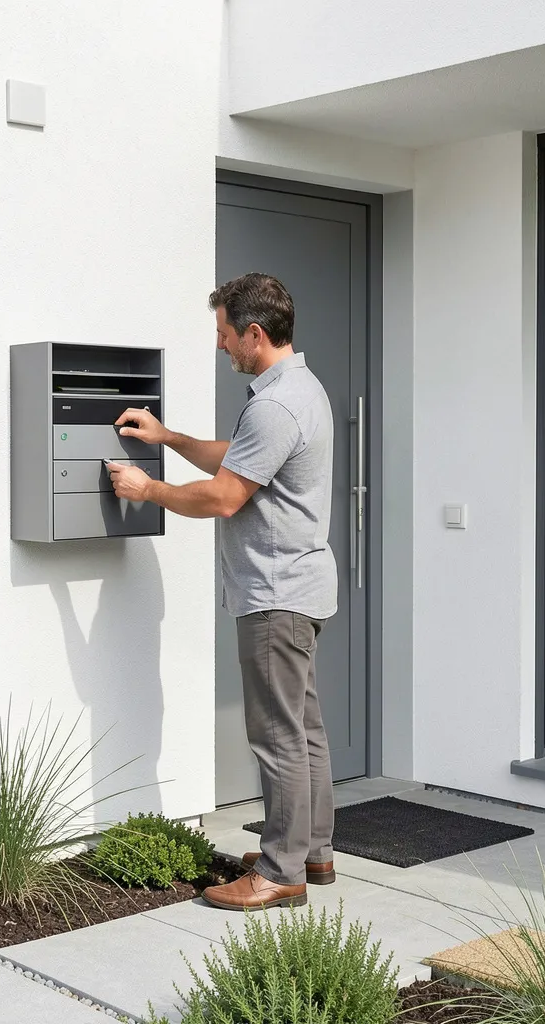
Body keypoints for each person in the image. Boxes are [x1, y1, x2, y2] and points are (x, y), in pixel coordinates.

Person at [105, 272, 337, 911]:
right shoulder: (300, 389)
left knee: (277, 734)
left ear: (254, 334)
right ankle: (312, 850)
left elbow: (225, 495)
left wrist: (146, 489)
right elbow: (240, 457)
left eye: (224, 334)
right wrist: (169, 438)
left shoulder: (275, 404)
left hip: (274, 592)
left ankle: (280, 871)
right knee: (304, 727)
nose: (220, 346)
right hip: (303, 585)